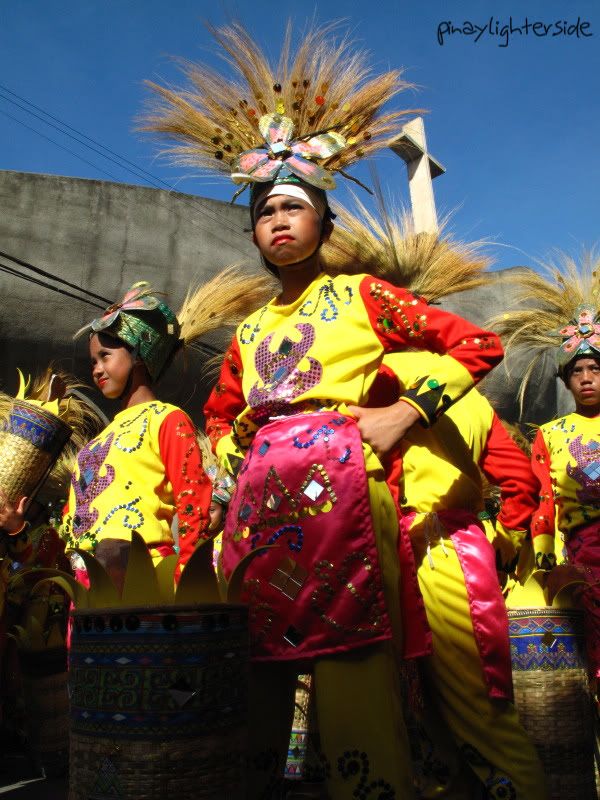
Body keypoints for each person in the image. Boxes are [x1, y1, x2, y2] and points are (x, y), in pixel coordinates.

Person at [143, 22, 505, 799]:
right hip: (257, 516)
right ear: (253, 232)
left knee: (353, 669)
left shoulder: (364, 296)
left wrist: (403, 415)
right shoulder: (250, 330)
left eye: (293, 207)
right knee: (257, 673)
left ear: (324, 223)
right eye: (264, 210)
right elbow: (217, 413)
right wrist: (232, 459)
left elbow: (476, 345)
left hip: (345, 494)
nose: (277, 220)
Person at [492, 257, 600, 683]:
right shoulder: (551, 434)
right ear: (566, 380)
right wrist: (543, 555)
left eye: (596, 369)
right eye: (577, 371)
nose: (587, 378)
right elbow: (546, 499)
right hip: (583, 556)